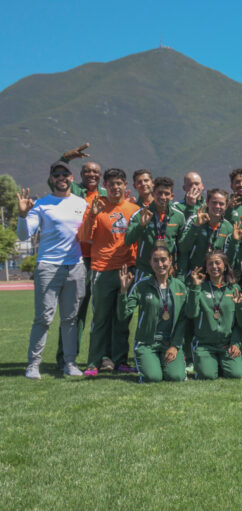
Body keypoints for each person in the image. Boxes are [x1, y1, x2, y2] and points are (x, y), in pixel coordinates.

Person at [17, 161, 88, 378]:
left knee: (70, 319)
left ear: (72, 178)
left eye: (65, 174)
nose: (61, 178)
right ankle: (33, 365)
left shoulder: (81, 203)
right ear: (51, 179)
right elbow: (23, 235)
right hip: (48, 266)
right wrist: (21, 215)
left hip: (75, 266)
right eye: (57, 175)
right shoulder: (41, 204)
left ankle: (69, 363)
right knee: (44, 318)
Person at [78, 167, 141, 376]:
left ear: (125, 186)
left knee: (123, 317)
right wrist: (92, 215)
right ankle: (94, 362)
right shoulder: (96, 206)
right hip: (102, 270)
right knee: (101, 318)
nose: (115, 187)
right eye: (111, 183)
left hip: (127, 269)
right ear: (104, 186)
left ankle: (120, 360)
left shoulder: (133, 209)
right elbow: (85, 236)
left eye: (119, 183)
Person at [53, 145, 106, 370]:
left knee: (103, 312)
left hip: (101, 260)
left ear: (100, 176)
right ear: (80, 175)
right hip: (78, 259)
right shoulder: (73, 189)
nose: (91, 175)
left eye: (95, 172)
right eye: (87, 171)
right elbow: (56, 174)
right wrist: (66, 156)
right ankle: (66, 357)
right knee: (75, 312)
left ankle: (105, 357)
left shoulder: (105, 194)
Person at [117, 246, 187, 382]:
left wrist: (174, 346)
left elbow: (183, 320)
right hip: (147, 343)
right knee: (153, 377)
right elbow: (123, 315)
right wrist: (123, 291)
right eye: (155, 260)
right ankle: (151, 362)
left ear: (170, 260)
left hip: (169, 343)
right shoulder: (141, 286)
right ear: (150, 262)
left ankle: (165, 362)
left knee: (176, 376)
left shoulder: (180, 286)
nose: (160, 264)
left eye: (163, 260)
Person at [186, 251, 242, 379]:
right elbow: (191, 314)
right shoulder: (199, 288)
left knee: (236, 375)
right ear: (206, 268)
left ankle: (220, 363)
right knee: (207, 376)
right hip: (205, 345)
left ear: (225, 266)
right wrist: (195, 287)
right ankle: (210, 363)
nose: (214, 267)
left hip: (227, 345)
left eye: (218, 263)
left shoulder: (234, 289)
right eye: (210, 264)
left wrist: (235, 343)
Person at [125, 177, 186, 282]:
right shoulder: (140, 214)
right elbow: (128, 240)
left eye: (167, 194)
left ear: (172, 196)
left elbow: (182, 249)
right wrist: (141, 226)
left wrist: (179, 271)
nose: (163, 197)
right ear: (153, 194)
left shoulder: (178, 216)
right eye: (159, 193)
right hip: (145, 270)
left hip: (167, 271)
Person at [177, 188, 234, 276]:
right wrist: (196, 226)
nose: (217, 206)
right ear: (207, 203)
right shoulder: (195, 220)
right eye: (214, 202)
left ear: (226, 206)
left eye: (221, 204)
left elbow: (228, 258)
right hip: (194, 273)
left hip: (215, 275)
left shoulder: (228, 227)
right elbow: (183, 248)